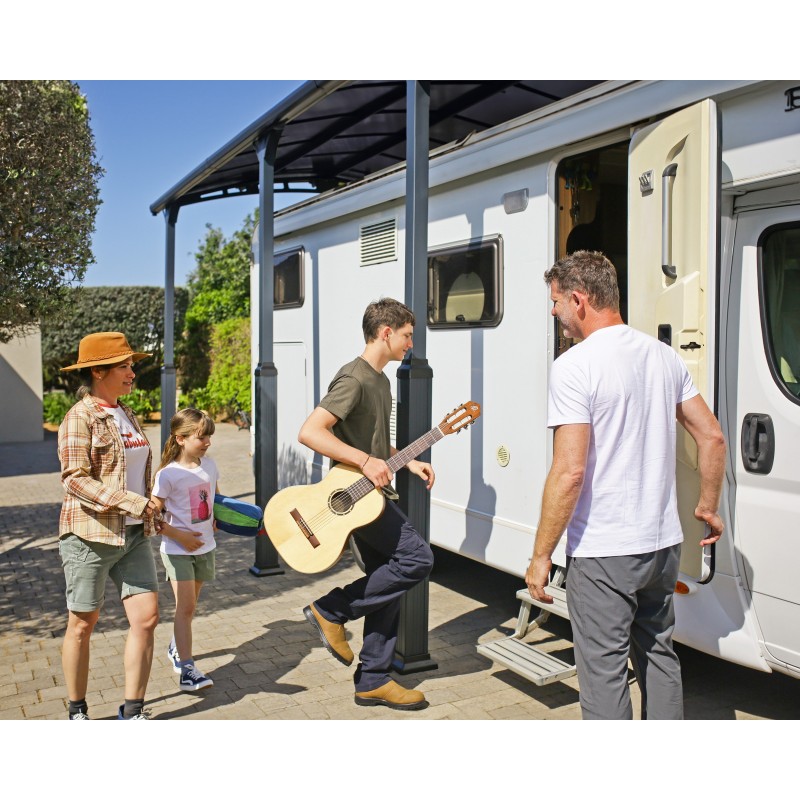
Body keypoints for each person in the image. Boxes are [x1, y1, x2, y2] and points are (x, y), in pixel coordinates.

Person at [525, 251, 727, 720]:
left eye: (555, 302)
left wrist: (540, 555)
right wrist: (708, 506)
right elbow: (712, 436)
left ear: (579, 300)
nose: (553, 312)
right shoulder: (663, 356)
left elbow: (569, 472)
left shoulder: (574, 365)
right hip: (662, 546)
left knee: (604, 673)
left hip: (605, 551)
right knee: (658, 655)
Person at [298, 297, 435, 710]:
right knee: (416, 559)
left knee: (386, 581)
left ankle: (373, 678)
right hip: (355, 498)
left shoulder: (381, 381)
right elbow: (311, 432)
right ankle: (331, 609)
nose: (411, 343)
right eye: (407, 335)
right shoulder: (354, 378)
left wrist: (407, 462)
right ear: (386, 332)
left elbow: (372, 445)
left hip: (373, 495)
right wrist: (364, 461)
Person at [57, 332, 160, 720]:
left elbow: (132, 471)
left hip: (133, 533)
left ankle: (132, 711)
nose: (132, 372)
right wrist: (134, 502)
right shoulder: (79, 417)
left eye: (132, 365)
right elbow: (75, 480)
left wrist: (153, 501)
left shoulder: (126, 412)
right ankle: (77, 710)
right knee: (82, 624)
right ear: (98, 371)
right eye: (124, 366)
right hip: (90, 536)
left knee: (146, 619)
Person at [151, 408, 219, 692]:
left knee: (189, 609)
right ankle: (187, 670)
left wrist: (218, 518)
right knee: (185, 607)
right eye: (201, 437)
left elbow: (215, 497)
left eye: (209, 436)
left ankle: (176, 646)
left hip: (205, 548)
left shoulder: (210, 465)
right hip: (177, 550)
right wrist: (179, 535)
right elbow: (152, 517)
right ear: (180, 438)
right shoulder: (168, 475)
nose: (208, 442)